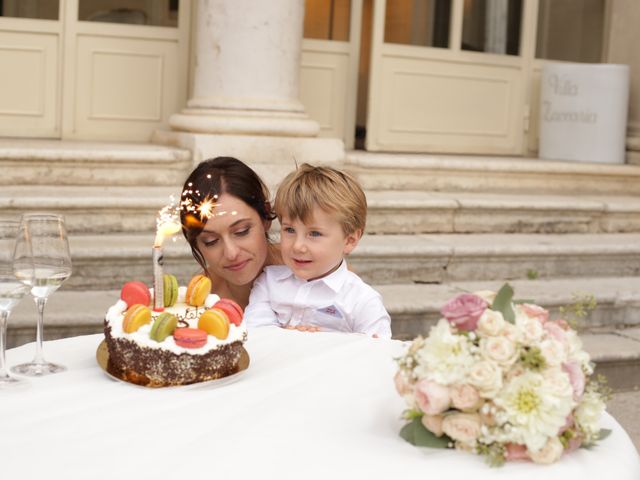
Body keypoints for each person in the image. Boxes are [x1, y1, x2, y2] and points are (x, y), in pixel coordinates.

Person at [244, 163, 392, 338]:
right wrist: (289, 337)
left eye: (314, 233)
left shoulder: (362, 301)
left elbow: (378, 354)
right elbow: (255, 335)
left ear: (350, 240)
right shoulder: (269, 282)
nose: (298, 246)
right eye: (289, 230)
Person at [180, 156, 280, 309]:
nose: (231, 253)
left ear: (265, 216)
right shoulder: (202, 298)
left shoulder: (312, 271)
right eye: (210, 241)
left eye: (242, 231)